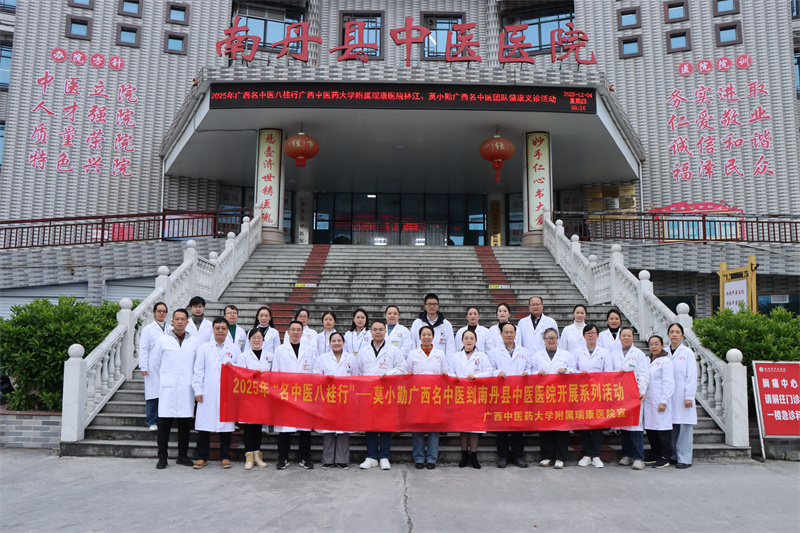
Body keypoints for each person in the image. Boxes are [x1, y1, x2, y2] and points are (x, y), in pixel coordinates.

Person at [151, 308, 199, 469]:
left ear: (187, 322)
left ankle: (182, 456)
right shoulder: (163, 340)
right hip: (168, 389)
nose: (179, 321)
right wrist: (165, 381)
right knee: (164, 426)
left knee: (185, 425)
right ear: (172, 321)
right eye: (177, 319)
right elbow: (155, 364)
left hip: (186, 389)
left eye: (182, 319)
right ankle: (162, 457)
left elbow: (197, 365)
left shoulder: (194, 342)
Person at [357, 319, 407, 470]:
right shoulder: (363, 351)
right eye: (375, 329)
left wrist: (389, 374)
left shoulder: (394, 350)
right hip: (369, 392)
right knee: (370, 424)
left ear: (385, 332)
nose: (378, 332)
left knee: (386, 424)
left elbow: (402, 367)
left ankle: (384, 456)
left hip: (387, 391)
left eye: (380, 329)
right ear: (370, 332)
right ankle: (371, 456)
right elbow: (359, 371)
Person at [192, 317, 239, 469]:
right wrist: (198, 390)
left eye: (223, 328)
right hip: (208, 391)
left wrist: (233, 366)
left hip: (227, 392)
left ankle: (225, 456)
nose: (220, 331)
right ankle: (202, 457)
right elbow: (198, 370)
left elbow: (240, 369)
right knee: (204, 427)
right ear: (213, 330)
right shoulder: (204, 348)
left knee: (226, 427)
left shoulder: (234, 349)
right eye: (217, 328)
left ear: (227, 330)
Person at [272, 320, 317, 469]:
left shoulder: (309, 350)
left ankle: (305, 458)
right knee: (285, 429)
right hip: (285, 393)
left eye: (299, 330)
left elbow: (314, 371)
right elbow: (275, 372)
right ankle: (282, 458)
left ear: (302, 333)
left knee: (305, 429)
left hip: (305, 393)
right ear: (288, 332)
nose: (296, 332)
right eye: (293, 329)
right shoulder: (280, 350)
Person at [489, 322, 533, 468]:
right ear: (501, 334)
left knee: (518, 425)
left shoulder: (524, 351)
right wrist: (497, 372)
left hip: (519, 393)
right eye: (506, 332)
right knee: (501, 425)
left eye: (511, 332)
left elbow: (530, 368)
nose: (509, 335)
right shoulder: (494, 352)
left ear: (515, 334)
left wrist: (527, 373)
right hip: (501, 393)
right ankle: (503, 456)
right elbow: (490, 370)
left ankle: (518, 456)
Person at [313, 331, 358, 470]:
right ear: (329, 343)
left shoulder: (351, 358)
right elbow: (316, 376)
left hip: (345, 398)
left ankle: (342, 460)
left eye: (339, 340)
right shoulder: (322, 358)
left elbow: (356, 378)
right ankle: (328, 459)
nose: (336, 343)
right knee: (328, 429)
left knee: (343, 429)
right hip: (328, 398)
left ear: (343, 343)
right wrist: (325, 379)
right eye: (334, 341)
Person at [532, 328, 576, 470]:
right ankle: (547, 456)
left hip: (562, 397)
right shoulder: (537, 356)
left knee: (561, 427)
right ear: (544, 340)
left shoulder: (567, 355)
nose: (551, 341)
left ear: (558, 339)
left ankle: (560, 458)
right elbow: (530, 371)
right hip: (544, 397)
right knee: (545, 427)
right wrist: (537, 373)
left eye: (554, 338)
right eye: (548, 338)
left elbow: (575, 371)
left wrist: (566, 370)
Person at [406, 325, 449, 470]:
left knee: (433, 428)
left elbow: (445, 371)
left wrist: (445, 375)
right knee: (417, 426)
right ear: (419, 337)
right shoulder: (413, 354)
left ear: (433, 337)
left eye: (429, 334)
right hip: (418, 397)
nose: (426, 337)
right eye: (423, 335)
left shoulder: (440, 354)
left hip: (435, 397)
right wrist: (409, 375)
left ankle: (431, 458)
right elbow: (407, 372)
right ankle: (418, 458)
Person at [449, 329, 493, 469]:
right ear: (462, 341)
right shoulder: (455, 356)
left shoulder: (482, 356)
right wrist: (455, 377)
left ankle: (474, 455)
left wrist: (476, 377)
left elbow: (489, 372)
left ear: (476, 341)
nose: (469, 341)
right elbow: (450, 372)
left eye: (471, 338)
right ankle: (464, 454)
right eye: (466, 338)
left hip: (477, 394)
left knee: (475, 427)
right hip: (461, 395)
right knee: (463, 426)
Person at [610, 327, 650, 470]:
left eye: (629, 335)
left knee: (636, 426)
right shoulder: (613, 354)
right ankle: (626, 455)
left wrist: (642, 391)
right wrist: (619, 372)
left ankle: (639, 458)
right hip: (620, 395)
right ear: (620, 338)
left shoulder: (639, 354)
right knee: (624, 425)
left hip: (634, 395)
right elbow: (609, 373)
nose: (626, 338)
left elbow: (644, 374)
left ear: (633, 338)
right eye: (624, 335)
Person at [572, 324, 611, 468]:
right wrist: (579, 374)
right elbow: (572, 369)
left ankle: (596, 455)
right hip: (582, 394)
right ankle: (586, 454)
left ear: (598, 335)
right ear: (584, 336)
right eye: (587, 333)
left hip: (598, 394)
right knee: (584, 425)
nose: (590, 335)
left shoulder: (604, 353)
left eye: (593, 332)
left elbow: (608, 373)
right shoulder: (577, 352)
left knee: (597, 426)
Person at [239, 328, 273, 470]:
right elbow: (241, 374)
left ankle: (257, 455)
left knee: (258, 426)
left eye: (259, 337)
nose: (256, 340)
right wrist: (254, 374)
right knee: (249, 426)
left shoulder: (270, 356)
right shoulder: (243, 356)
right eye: (254, 337)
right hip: (248, 395)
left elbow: (274, 374)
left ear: (263, 340)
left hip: (263, 395)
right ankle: (249, 456)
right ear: (249, 340)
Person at [666, 323, 697, 469]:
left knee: (684, 427)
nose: (674, 334)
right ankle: (674, 455)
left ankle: (684, 459)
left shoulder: (687, 353)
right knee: (672, 426)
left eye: (677, 332)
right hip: (669, 396)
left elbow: (691, 376)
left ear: (682, 335)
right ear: (668, 335)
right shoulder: (664, 352)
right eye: (672, 332)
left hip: (683, 395)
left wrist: (689, 396)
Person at [138, 301, 171, 431]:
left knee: (165, 394)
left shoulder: (170, 329)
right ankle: (151, 421)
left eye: (164, 311)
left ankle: (163, 420)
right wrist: (143, 366)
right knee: (152, 395)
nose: (161, 313)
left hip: (167, 366)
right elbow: (143, 348)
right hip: (152, 366)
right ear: (154, 313)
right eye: (159, 311)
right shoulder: (148, 329)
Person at [644, 335, 675, 469]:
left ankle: (665, 456)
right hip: (648, 400)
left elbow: (669, 383)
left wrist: (664, 401)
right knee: (651, 429)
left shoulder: (666, 362)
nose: (653, 347)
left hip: (660, 400)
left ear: (662, 346)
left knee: (662, 430)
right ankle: (655, 453)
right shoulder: (646, 360)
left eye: (656, 344)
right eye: (651, 344)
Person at [410, 293, 456, 360]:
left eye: (434, 304)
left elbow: (450, 347)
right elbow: (413, 344)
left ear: (438, 306)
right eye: (429, 304)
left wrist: (447, 364)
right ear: (425, 306)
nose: (432, 306)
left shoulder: (446, 324)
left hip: (440, 362)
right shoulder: (417, 323)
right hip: (420, 361)